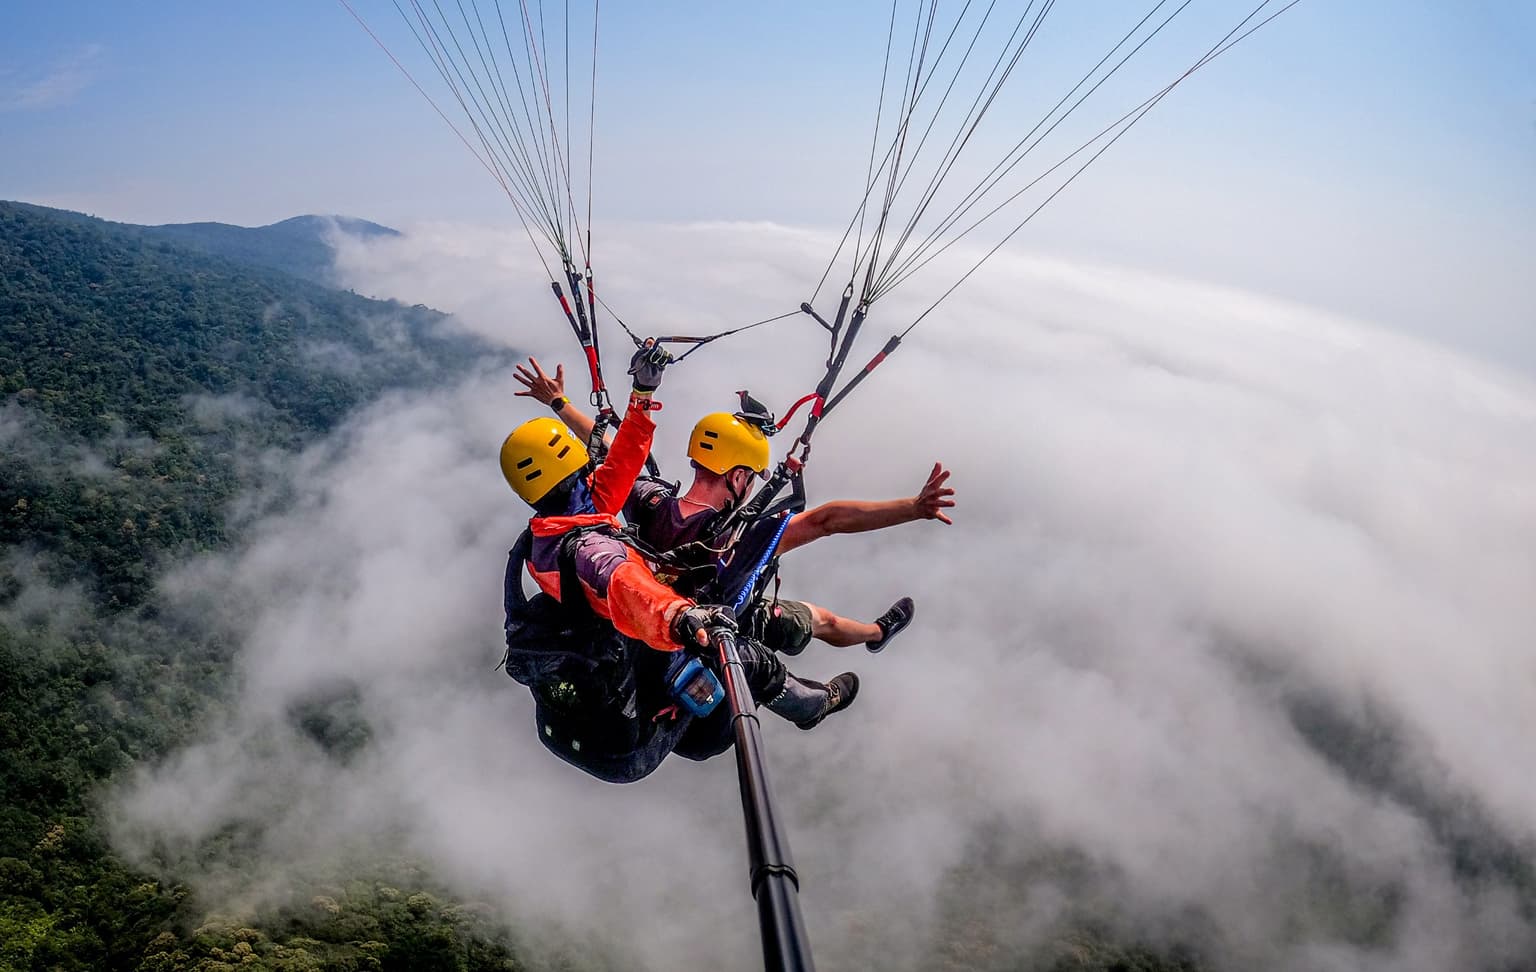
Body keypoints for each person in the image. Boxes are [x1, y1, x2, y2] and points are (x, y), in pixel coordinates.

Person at [500, 342, 856, 784]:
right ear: (573, 471)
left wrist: (642, 393)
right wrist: (682, 616)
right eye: (586, 465)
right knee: (744, 653)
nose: (596, 470)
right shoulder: (591, 550)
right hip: (628, 746)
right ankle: (809, 706)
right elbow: (629, 584)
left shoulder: (556, 524)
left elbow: (622, 462)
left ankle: (855, 646)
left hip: (583, 711)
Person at [512, 356, 955, 660]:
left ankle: (873, 635)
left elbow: (614, 451)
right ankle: (877, 634)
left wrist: (558, 404)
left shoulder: (647, 501)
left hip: (640, 621)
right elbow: (828, 520)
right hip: (712, 627)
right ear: (739, 477)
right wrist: (913, 507)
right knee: (821, 620)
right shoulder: (737, 536)